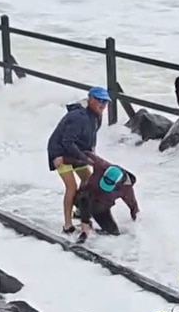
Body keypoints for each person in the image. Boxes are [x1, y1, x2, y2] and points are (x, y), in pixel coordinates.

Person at [47, 86, 112, 233]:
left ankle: (80, 209)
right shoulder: (78, 117)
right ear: (90, 99)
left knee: (88, 179)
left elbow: (92, 136)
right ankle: (67, 224)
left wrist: (92, 154)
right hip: (60, 154)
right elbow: (67, 142)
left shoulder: (97, 116)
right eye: (99, 100)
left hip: (77, 152)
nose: (103, 104)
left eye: (105, 102)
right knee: (71, 187)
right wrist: (84, 158)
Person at [71, 152, 139, 243]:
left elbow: (133, 206)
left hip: (100, 208)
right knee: (83, 198)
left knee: (113, 233)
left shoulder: (126, 189)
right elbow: (84, 153)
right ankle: (83, 221)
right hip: (86, 196)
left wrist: (138, 225)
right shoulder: (101, 165)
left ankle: (97, 222)